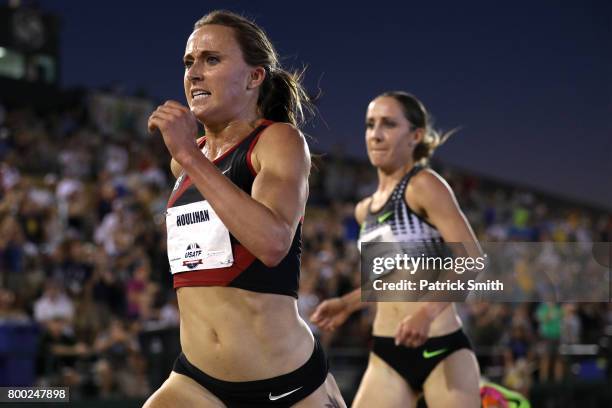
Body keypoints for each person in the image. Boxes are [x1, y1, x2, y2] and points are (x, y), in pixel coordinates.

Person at [144, 10, 345, 408]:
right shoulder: (186, 160)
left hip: (285, 386)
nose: (194, 73)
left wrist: (188, 154)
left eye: (211, 59)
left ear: (255, 77)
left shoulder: (278, 141)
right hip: (197, 381)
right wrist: (190, 156)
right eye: (189, 62)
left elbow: (273, 244)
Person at [311, 91, 481, 407]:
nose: (375, 134)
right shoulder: (365, 209)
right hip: (387, 352)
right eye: (370, 124)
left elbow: (472, 259)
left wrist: (426, 313)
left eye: (388, 124)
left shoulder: (424, 185)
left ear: (415, 136)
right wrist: (347, 304)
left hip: (440, 346)